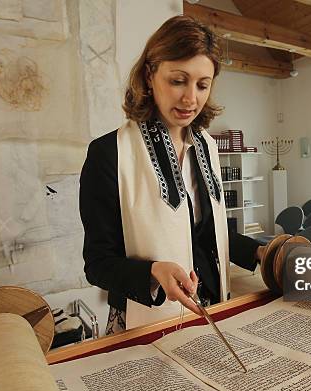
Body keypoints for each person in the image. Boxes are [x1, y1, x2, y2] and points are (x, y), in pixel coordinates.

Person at [79, 15, 265, 335]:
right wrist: (153, 273)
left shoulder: (206, 146)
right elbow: (97, 264)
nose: (190, 98)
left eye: (202, 85)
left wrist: (261, 251)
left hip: (210, 309)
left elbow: (207, 234)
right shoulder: (108, 154)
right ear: (150, 75)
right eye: (178, 80)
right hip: (144, 318)